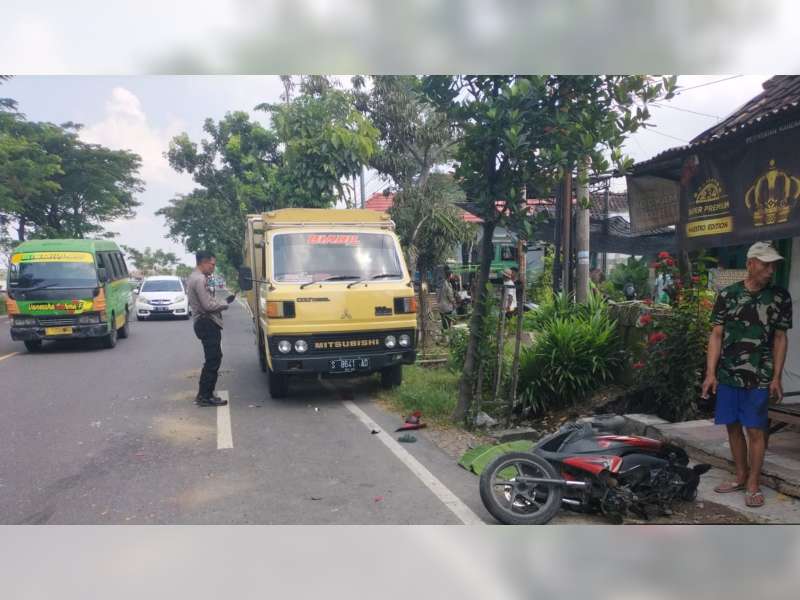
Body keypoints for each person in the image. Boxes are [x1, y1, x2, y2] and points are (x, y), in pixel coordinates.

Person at [701, 241, 792, 508]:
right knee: (732, 426)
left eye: (774, 265)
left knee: (756, 429)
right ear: (750, 264)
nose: (770, 270)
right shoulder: (728, 295)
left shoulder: (780, 297)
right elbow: (716, 335)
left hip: (760, 376)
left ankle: (754, 481)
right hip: (729, 373)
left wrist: (776, 376)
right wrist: (711, 373)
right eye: (765, 264)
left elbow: (780, 338)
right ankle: (740, 475)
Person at [187, 251, 236, 407]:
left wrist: (220, 301)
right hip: (206, 322)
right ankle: (204, 395)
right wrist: (225, 304)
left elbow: (208, 300)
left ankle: (205, 394)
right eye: (212, 264)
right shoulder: (200, 279)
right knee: (213, 358)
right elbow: (208, 305)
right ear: (203, 262)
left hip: (203, 322)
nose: (213, 268)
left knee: (213, 357)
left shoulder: (195, 277)